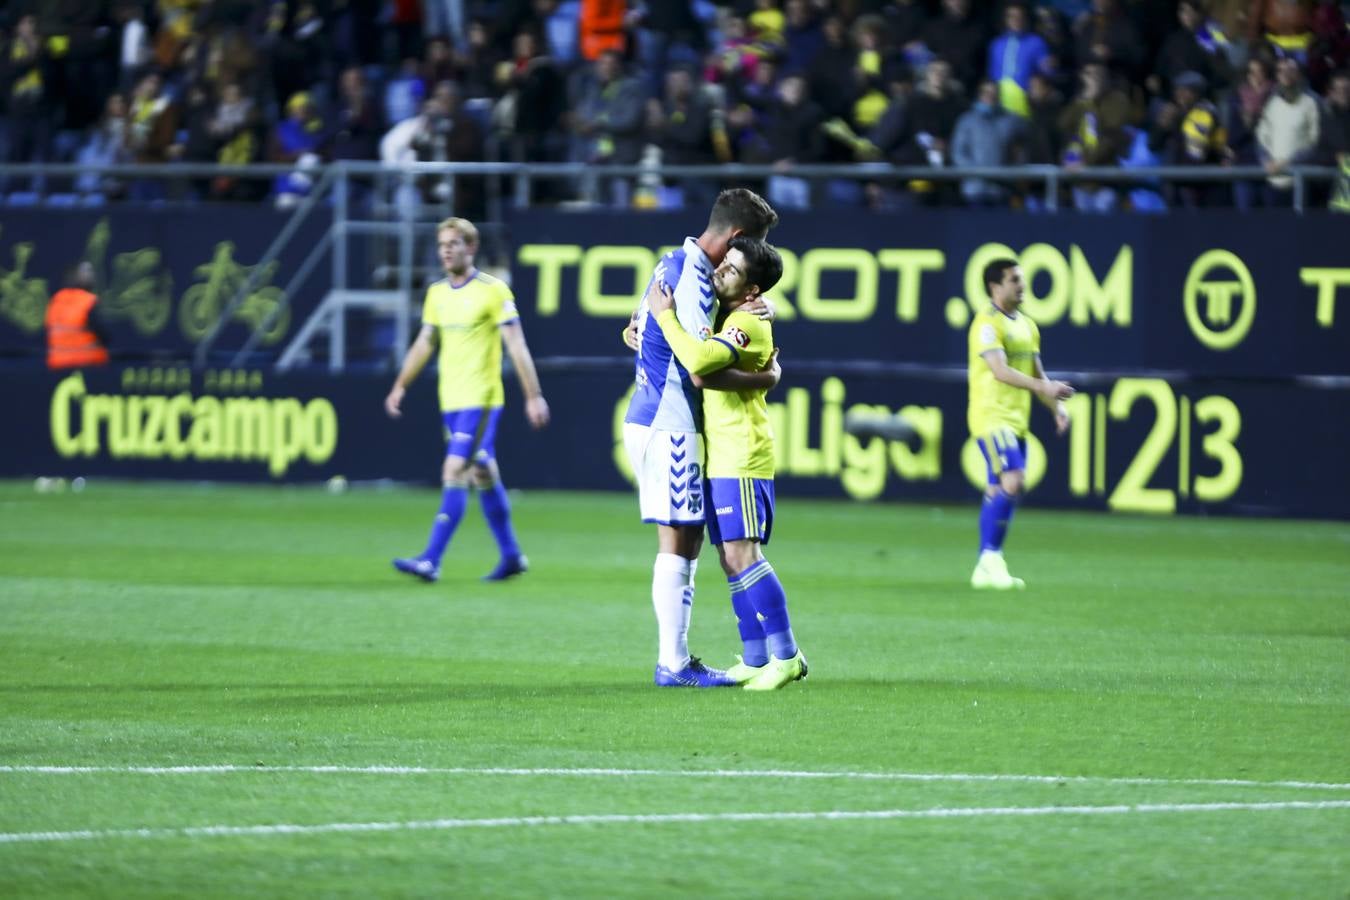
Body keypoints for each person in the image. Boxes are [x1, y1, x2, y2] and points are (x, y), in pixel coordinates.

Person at [623, 188, 780, 687]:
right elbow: (698, 366)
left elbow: (634, 327)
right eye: (749, 248)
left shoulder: (672, 260)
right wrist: (766, 378)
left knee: (685, 540)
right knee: (677, 540)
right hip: (669, 420)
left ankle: (678, 660)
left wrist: (752, 304)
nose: (746, 261)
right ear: (736, 237)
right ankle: (673, 663)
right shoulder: (691, 280)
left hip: (659, 417)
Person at [649, 237, 806, 691]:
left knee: (744, 554)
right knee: (728, 558)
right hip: (721, 451)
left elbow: (699, 361)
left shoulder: (747, 323)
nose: (719, 273)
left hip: (742, 451)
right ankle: (756, 658)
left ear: (752, 290)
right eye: (723, 265)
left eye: (731, 271)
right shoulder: (733, 313)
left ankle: (787, 655)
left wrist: (663, 315)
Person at [385, 217, 550, 583]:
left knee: (454, 470)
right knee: (482, 472)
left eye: (453, 243)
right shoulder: (437, 294)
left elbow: (517, 345)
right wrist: (400, 385)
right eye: (442, 244)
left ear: (470, 248)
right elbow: (425, 342)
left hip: (482, 397)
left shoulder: (494, 291)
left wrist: (533, 396)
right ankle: (511, 556)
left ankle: (431, 559)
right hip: (452, 401)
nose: (446, 250)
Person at [967, 258, 1073, 590]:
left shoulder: (1027, 325)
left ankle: (984, 567)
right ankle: (991, 558)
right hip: (991, 416)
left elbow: (1036, 374)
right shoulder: (987, 324)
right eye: (1014, 280)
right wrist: (1045, 389)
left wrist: (1055, 408)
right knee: (1014, 479)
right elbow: (999, 370)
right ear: (994, 286)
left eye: (1022, 279)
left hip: (1016, 421)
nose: (1022, 285)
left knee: (999, 487)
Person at [46, 262, 109, 370]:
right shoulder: (88, 300)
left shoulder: (56, 300)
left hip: (58, 365)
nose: (92, 276)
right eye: (87, 273)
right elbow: (103, 334)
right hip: (88, 364)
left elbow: (48, 329)